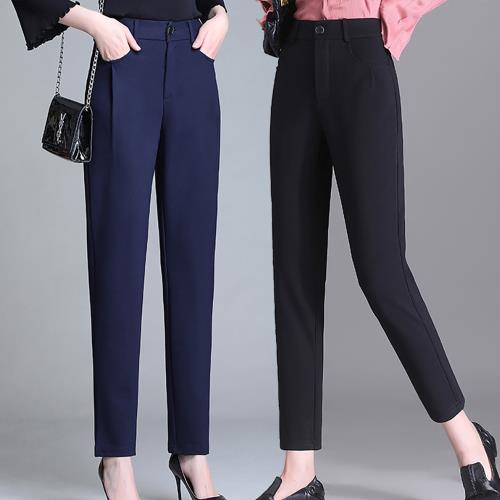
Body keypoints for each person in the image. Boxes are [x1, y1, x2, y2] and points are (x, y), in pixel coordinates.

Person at [255, 1, 499, 499]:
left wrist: (392, 13)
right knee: (294, 272)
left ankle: (470, 443)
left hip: (361, 59)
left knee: (382, 271)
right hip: (296, 61)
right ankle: (299, 470)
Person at [11, 1, 229, 499]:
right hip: (125, 56)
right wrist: (93, 23)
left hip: (195, 59)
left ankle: (193, 453)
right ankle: (115, 459)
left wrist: (221, 14)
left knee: (195, 271)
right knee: (117, 269)